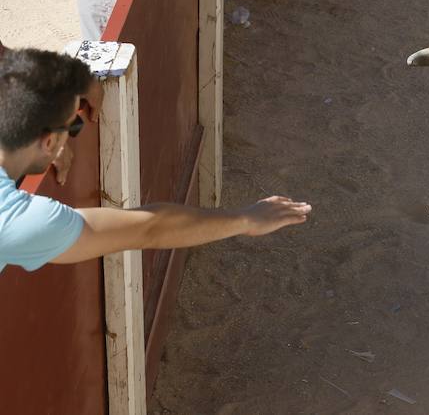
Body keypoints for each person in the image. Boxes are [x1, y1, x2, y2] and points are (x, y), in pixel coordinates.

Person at [0, 48, 312, 273]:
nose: (73, 133)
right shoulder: (16, 221)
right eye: (73, 126)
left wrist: (71, 82)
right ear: (50, 141)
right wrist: (247, 219)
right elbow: (150, 228)